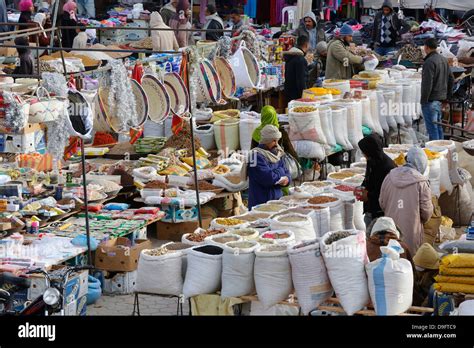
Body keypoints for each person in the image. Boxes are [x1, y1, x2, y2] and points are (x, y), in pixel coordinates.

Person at [379, 147, 434, 256]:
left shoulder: (389, 177)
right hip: (411, 232)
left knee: (392, 258)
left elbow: (382, 202)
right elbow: (426, 211)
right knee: (409, 262)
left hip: (391, 229)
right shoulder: (421, 183)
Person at [245, 125, 291, 209]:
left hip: (276, 201)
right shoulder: (255, 156)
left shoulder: (278, 153)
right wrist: (280, 172)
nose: (276, 144)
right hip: (260, 204)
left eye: (277, 140)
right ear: (266, 140)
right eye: (273, 141)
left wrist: (287, 180)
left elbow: (287, 172)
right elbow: (267, 178)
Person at [357, 133, 396, 227]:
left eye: (364, 152)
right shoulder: (372, 159)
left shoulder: (388, 167)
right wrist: (361, 188)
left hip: (381, 213)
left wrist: (368, 196)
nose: (364, 155)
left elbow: (387, 193)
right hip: (370, 209)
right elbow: (368, 177)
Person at [421, 38, 454, 141]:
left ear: (426, 48)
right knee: (438, 127)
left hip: (431, 100)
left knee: (433, 129)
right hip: (440, 100)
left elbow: (427, 84)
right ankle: (441, 150)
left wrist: (424, 100)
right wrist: (447, 98)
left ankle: (436, 151)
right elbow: (451, 78)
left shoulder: (429, 62)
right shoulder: (443, 59)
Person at [284, 35, 309, 102]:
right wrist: (304, 98)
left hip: (289, 94)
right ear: (306, 45)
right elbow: (301, 81)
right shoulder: (301, 60)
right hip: (297, 97)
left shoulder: (291, 56)